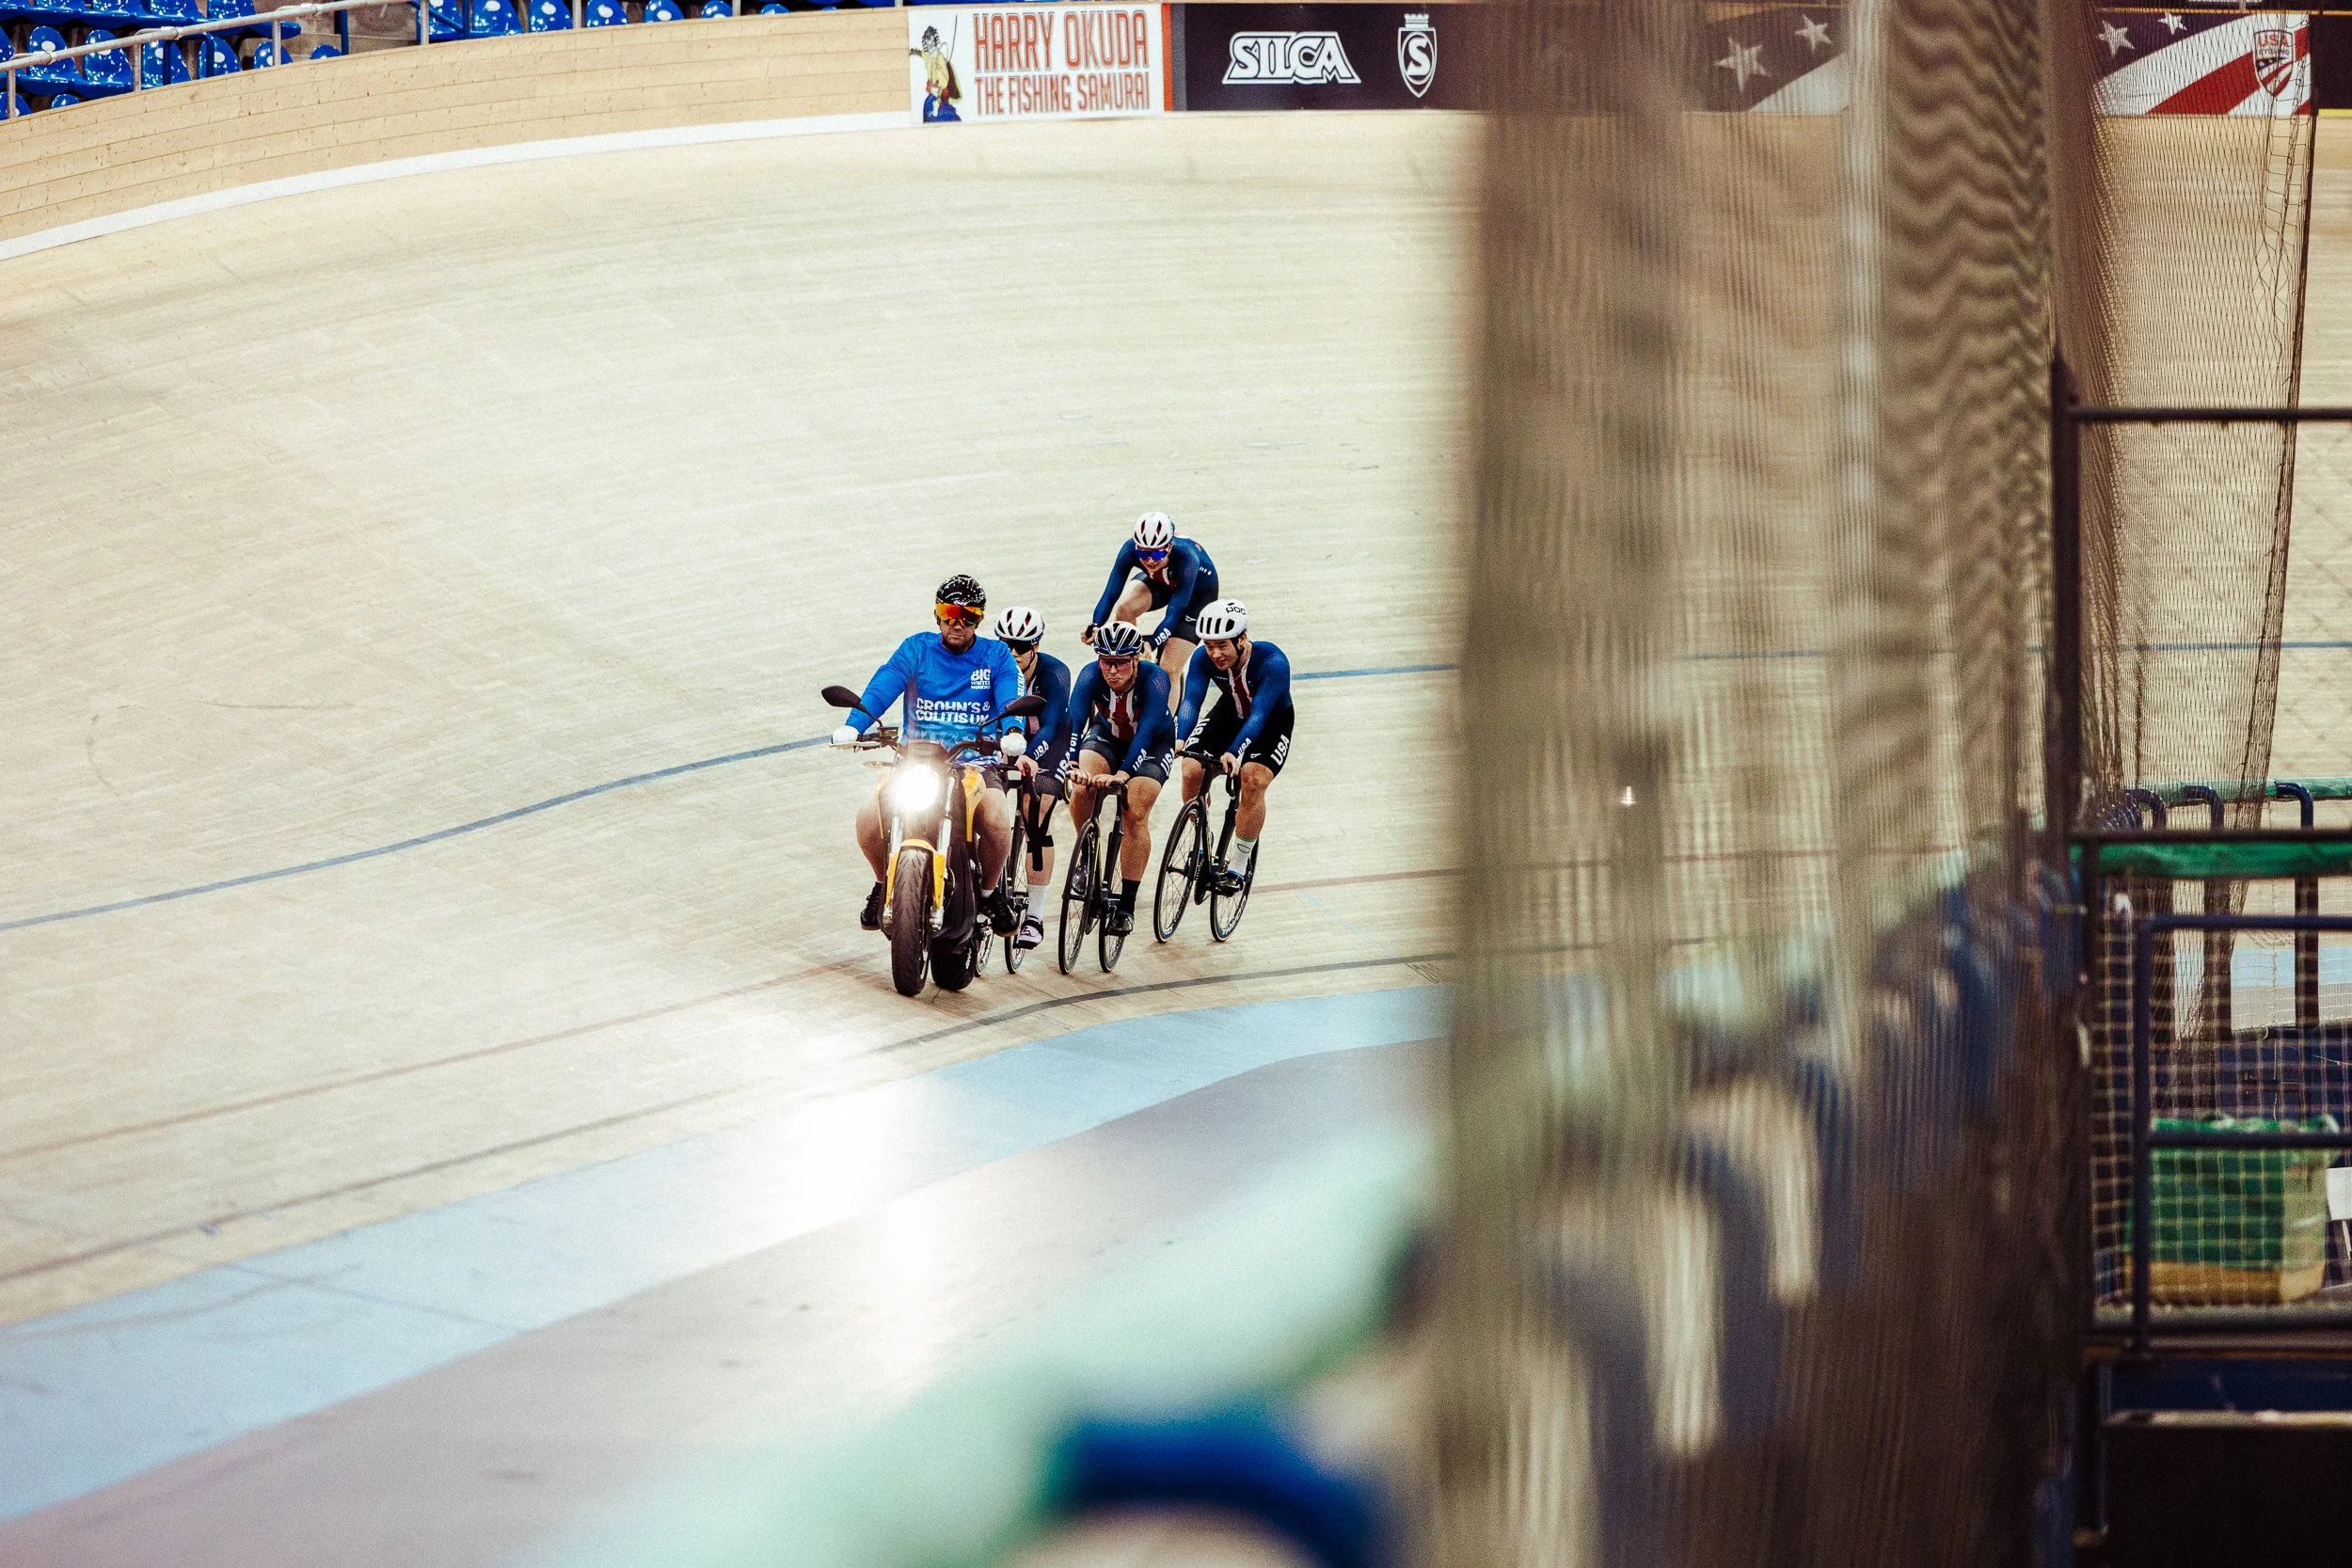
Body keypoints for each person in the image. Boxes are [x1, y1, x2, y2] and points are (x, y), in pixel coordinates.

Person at [834, 574, 1024, 934]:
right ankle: (881, 883)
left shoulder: (996, 655)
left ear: (979, 621)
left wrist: (1012, 730)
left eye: (967, 617)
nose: (957, 623)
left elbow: (1009, 697)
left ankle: (989, 892)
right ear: (937, 615)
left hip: (973, 762)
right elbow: (885, 682)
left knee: (998, 820)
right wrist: (855, 724)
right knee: (867, 818)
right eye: (949, 613)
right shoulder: (916, 649)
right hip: (917, 761)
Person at [1173, 598, 1291, 894]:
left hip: (1269, 723)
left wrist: (1235, 751)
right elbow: (1191, 701)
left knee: (1253, 779)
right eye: (1208, 645)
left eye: (1222, 645)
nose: (1214, 653)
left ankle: (1238, 865)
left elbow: (1259, 715)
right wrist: (1180, 737)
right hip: (1230, 714)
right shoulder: (1202, 659)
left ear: (1242, 640)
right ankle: (1200, 847)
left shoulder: (1272, 662)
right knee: (1190, 770)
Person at [1065, 621, 1174, 937]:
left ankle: (1126, 905)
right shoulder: (1090, 674)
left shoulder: (1155, 680)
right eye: (1106, 662)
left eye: (1121, 663)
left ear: (1136, 659)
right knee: (1082, 787)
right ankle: (1087, 860)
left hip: (1151, 743)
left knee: (1134, 812)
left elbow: (1146, 733)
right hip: (1107, 735)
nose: (1112, 671)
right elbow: (1074, 721)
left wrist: (1123, 774)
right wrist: (1071, 764)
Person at [991, 604, 1072, 952]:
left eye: (1021, 647)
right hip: (1008, 740)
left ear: (1035, 646)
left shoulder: (1055, 673)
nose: (1012, 653)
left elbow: (1052, 725)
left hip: (1049, 743)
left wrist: (1028, 755)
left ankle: (1035, 916)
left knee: (1034, 813)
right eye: (1006, 644)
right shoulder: (991, 665)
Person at [1082, 512, 1218, 707]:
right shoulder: (1130, 549)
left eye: (1157, 553)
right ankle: (1132, 665)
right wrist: (1095, 624)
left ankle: (1167, 729)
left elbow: (1176, 611)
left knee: (1169, 667)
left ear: (1170, 547)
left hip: (1196, 597)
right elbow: (1111, 592)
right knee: (1124, 607)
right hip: (1161, 582)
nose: (1150, 560)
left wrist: (1152, 643)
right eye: (1144, 554)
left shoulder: (1187, 556)